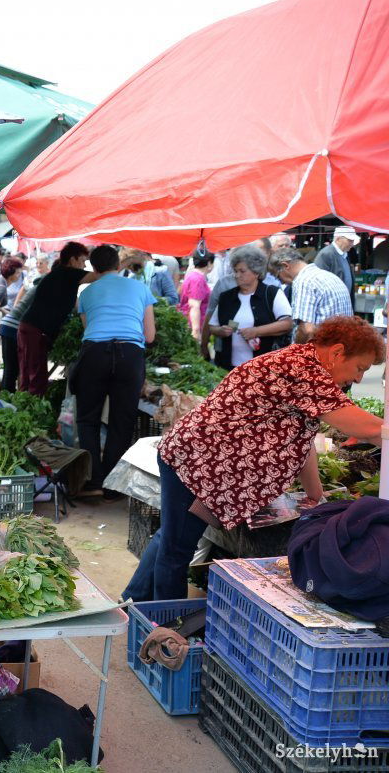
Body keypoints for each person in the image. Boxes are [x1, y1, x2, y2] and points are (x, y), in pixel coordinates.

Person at [122, 315, 384, 602]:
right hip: (199, 464)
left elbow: (302, 438)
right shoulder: (303, 370)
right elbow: (371, 429)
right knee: (176, 550)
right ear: (337, 353)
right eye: (360, 368)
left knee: (173, 538)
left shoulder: (306, 366)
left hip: (206, 465)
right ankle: (165, 630)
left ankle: (132, 599)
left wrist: (315, 492)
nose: (359, 378)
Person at [72, 245, 156, 494]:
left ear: (93, 268)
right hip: (130, 356)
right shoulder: (141, 288)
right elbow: (149, 335)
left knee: (88, 419)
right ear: (118, 264)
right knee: (122, 421)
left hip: (94, 355)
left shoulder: (86, 294)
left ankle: (93, 480)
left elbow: (88, 331)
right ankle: (112, 487)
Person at [18, 241, 96, 395]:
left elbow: (73, 305)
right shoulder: (67, 273)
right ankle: (32, 412)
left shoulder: (61, 276)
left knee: (28, 373)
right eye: (82, 261)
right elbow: (100, 275)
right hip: (35, 329)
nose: (83, 266)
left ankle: (25, 406)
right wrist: (128, 261)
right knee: (36, 375)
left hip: (29, 327)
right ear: (73, 260)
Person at [208, 248, 293, 370]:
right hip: (229, 367)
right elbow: (212, 326)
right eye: (235, 271)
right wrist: (220, 331)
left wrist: (256, 331)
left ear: (256, 272)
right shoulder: (226, 297)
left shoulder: (272, 294)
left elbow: (287, 323)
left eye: (242, 271)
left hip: (263, 367)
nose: (237, 275)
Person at [268, 248, 353, 342]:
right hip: (342, 347)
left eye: (278, 277)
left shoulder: (303, 281)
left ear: (285, 265)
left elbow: (306, 329)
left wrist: (296, 351)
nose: (282, 282)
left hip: (322, 349)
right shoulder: (331, 277)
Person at [0, 258, 24, 357]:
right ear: (11, 273)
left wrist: (6, 311)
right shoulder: (1, 287)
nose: (19, 276)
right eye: (18, 273)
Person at [178, 251, 214, 343]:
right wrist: (196, 331)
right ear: (209, 263)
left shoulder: (192, 276)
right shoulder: (197, 279)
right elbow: (194, 305)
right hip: (193, 325)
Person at [313, 226, 358, 298]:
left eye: (352, 241)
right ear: (338, 239)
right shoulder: (326, 254)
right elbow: (318, 282)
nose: (352, 244)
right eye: (349, 240)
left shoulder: (344, 254)